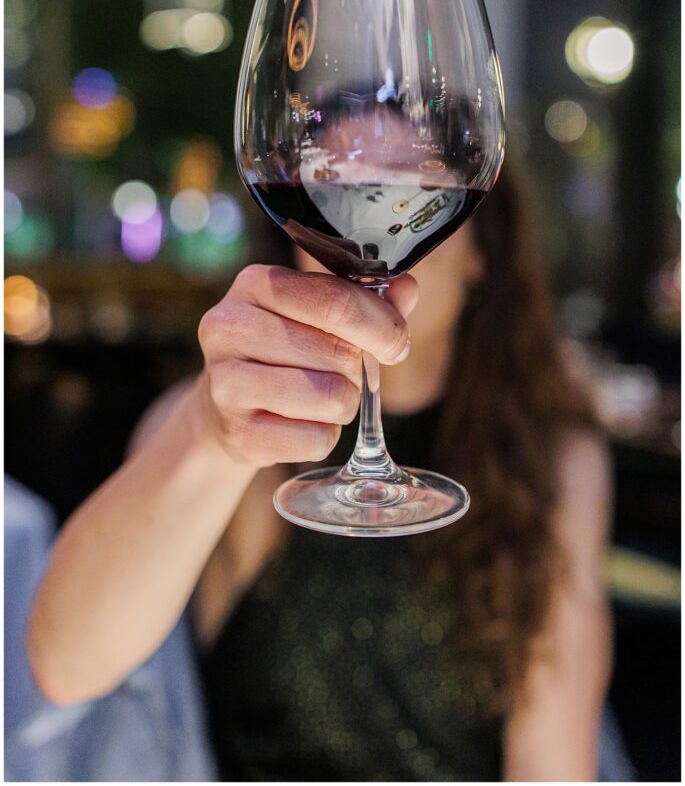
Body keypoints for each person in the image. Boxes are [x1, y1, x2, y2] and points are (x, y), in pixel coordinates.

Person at [27, 164, 616, 781]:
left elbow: (552, 763)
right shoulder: (228, 428)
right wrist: (208, 434)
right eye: (337, 205)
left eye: (411, 193)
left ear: (479, 251)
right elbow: (63, 666)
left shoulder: (552, 457)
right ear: (297, 248)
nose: (370, 233)